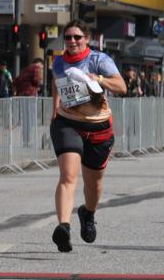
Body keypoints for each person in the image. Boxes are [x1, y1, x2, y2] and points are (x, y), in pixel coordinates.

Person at [49, 20, 126, 253]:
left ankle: (88, 213)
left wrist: (99, 80)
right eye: (69, 37)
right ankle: (63, 227)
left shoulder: (98, 60)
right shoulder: (59, 62)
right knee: (68, 175)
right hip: (68, 123)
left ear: (87, 39)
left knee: (94, 182)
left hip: (98, 127)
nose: (72, 41)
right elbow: (57, 84)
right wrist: (55, 108)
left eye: (77, 37)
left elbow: (121, 87)